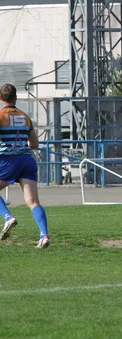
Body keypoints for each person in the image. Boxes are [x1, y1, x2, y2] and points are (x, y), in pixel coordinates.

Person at [0, 84, 50, 248]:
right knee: (33, 201)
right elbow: (34, 143)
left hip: (8, 160)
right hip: (27, 160)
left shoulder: (1, 115)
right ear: (16, 98)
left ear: (0, 98)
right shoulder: (25, 116)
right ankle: (44, 235)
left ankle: (8, 217)